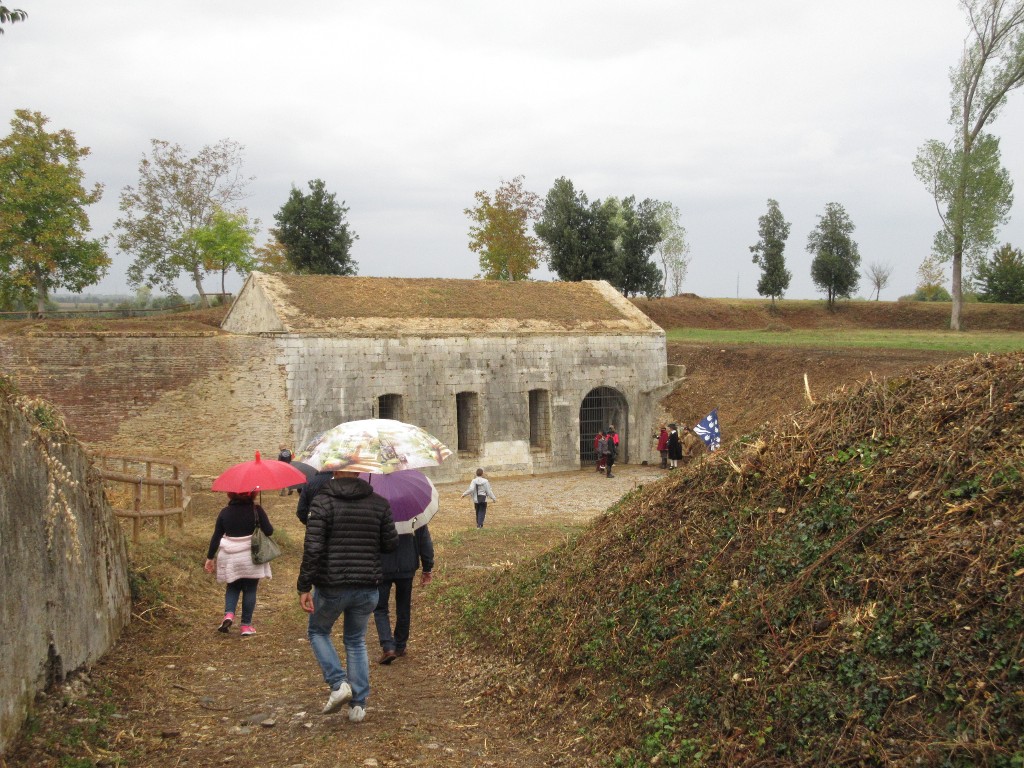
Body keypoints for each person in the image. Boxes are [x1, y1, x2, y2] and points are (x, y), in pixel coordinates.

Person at [297, 470, 399, 723]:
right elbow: (390, 544)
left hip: (332, 585)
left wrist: (304, 586)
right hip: (367, 585)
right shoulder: (379, 503)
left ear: (335, 470)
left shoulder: (322, 502)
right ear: (357, 470)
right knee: (356, 640)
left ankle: (338, 682)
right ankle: (358, 705)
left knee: (318, 632)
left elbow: (313, 547)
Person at [204, 490, 274, 637]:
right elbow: (269, 531)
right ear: (253, 494)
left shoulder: (225, 512)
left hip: (230, 557)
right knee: (250, 589)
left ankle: (228, 615)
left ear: (230, 494)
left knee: (232, 587)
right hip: (251, 557)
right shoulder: (256, 510)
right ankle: (246, 626)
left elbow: (216, 536)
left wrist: (210, 557)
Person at [374, 525, 434, 665]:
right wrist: (427, 567)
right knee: (403, 606)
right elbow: (424, 541)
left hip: (382, 566)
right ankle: (400, 645)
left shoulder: (378, 510)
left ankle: (388, 646)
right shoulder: (413, 513)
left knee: (380, 608)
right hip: (406, 565)